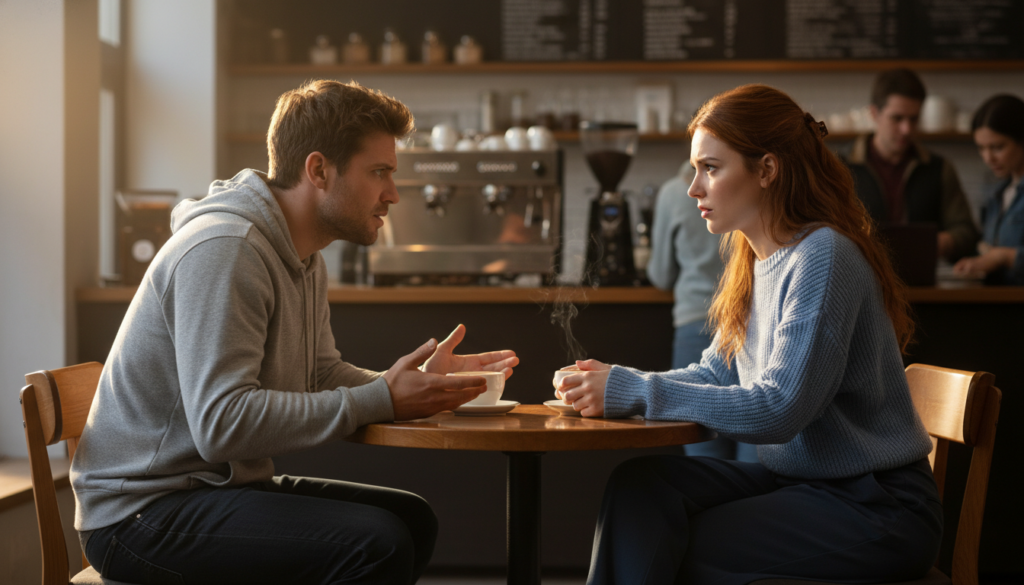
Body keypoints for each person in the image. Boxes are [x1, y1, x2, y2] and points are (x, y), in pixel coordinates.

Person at [71, 80, 519, 585]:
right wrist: (382, 398)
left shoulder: (302, 254)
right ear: (318, 170)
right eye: (379, 173)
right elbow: (222, 424)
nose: (393, 193)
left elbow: (319, 373)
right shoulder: (228, 248)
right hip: (142, 514)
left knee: (412, 521)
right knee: (377, 543)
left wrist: (412, 384)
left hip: (209, 489)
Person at [556, 84, 942, 584]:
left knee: (669, 541)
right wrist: (614, 383)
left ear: (766, 170)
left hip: (877, 505)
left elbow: (780, 408)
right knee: (639, 488)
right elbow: (715, 372)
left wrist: (633, 390)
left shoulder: (822, 256)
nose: (694, 187)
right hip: (806, 484)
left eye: (710, 168)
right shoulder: (755, 259)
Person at [646, 164, 755, 462]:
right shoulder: (750, 190)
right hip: (751, 319)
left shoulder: (672, 192)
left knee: (702, 451)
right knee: (755, 451)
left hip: (695, 319)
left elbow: (661, 274)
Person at [845, 68, 978, 261]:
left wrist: (941, 242)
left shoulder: (938, 168)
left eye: (914, 119)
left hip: (923, 282)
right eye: (897, 118)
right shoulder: (839, 166)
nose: (906, 129)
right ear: (874, 114)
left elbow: (966, 230)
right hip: (857, 279)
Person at [954, 94, 1024, 284]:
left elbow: (999, 256)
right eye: (981, 148)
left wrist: (1003, 256)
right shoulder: (998, 193)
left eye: (997, 147)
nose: (988, 158)